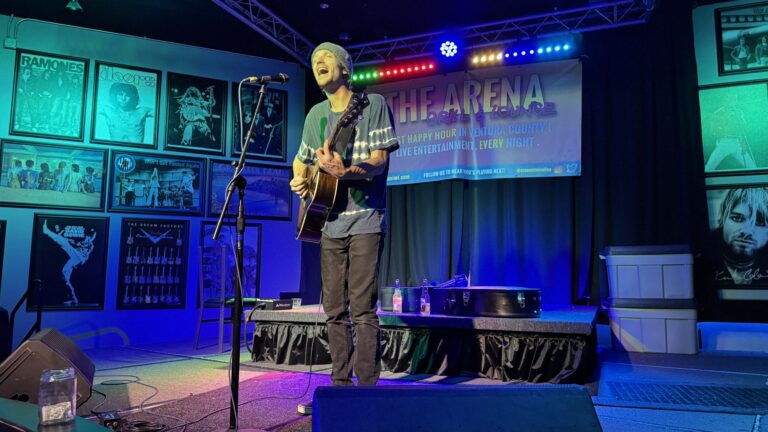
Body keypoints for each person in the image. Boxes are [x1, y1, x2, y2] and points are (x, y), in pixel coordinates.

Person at [290, 42, 399, 386]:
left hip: (366, 218)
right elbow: (301, 160)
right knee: (334, 309)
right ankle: (340, 384)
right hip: (328, 222)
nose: (318, 61)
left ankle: (366, 388)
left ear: (345, 68)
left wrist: (347, 171)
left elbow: (380, 162)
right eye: (314, 60)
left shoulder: (373, 105)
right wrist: (300, 179)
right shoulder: (315, 115)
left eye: (326, 57)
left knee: (362, 308)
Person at [712, 187, 768, 285]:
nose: (746, 231)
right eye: (737, 218)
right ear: (723, 218)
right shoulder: (701, 260)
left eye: (760, 222)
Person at [42, 220, 97, 305]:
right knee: (64, 274)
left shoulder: (90, 245)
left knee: (66, 245)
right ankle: (73, 299)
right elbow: (71, 241)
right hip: (74, 259)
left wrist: (63, 239)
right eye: (86, 236)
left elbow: (80, 245)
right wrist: (61, 236)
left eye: (89, 237)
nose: (86, 238)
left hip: (80, 258)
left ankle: (47, 231)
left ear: (91, 238)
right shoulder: (80, 242)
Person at [704, 93, 756, 171]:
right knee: (709, 168)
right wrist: (723, 129)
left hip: (737, 143)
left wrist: (744, 142)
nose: (733, 101)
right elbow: (712, 131)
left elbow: (744, 129)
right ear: (725, 100)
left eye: (735, 99)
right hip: (724, 143)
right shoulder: (718, 113)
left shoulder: (738, 112)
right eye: (731, 99)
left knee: (752, 167)